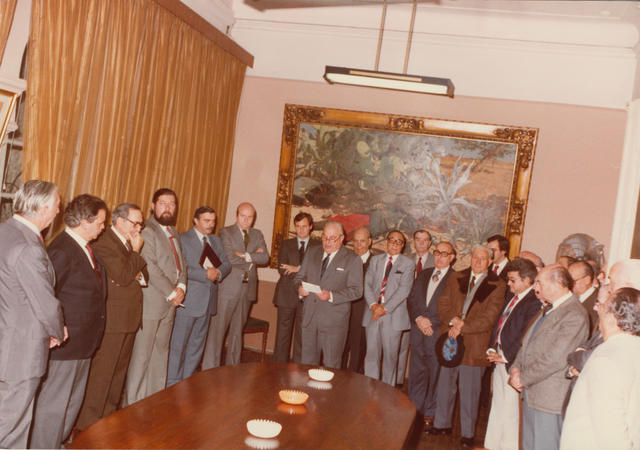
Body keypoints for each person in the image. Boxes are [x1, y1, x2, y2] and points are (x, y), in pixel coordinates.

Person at [30, 194, 108, 449]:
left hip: (82, 344)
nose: (103, 227)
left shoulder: (84, 247)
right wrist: (56, 330)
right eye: (100, 222)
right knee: (53, 407)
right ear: (85, 222)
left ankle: (57, 444)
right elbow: (46, 296)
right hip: (65, 346)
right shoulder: (62, 250)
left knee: (71, 405)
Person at [0, 180, 64, 448]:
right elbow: (45, 303)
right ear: (44, 207)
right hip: (19, 352)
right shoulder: (28, 246)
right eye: (57, 205)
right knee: (11, 427)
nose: (59, 211)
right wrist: (57, 330)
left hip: (7, 341)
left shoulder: (6, 232)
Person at [75, 203, 148, 430]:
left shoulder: (128, 242)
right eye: (135, 223)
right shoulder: (105, 241)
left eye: (141, 224)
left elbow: (143, 275)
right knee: (103, 375)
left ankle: (107, 422)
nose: (138, 228)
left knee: (118, 375)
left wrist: (134, 264)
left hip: (129, 317)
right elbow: (124, 275)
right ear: (119, 220)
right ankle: (88, 426)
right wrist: (135, 253)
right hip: (113, 319)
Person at [429, 245, 506, 448]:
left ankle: (467, 433)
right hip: (450, 339)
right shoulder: (457, 277)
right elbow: (443, 303)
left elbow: (489, 317)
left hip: (474, 344)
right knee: (445, 385)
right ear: (470, 258)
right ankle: (441, 424)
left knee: (470, 391)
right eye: (475, 257)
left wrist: (463, 327)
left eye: (483, 258)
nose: (478, 261)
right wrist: (453, 321)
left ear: (490, 261)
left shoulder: (498, 284)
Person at [509, 264, 589, 450]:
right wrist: (515, 368)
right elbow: (526, 343)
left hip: (549, 400)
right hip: (532, 394)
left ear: (558, 283)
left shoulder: (574, 314)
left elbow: (556, 359)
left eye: (540, 283)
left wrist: (523, 378)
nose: (535, 288)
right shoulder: (549, 308)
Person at [124, 188, 187, 405]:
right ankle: (132, 405)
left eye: (172, 203)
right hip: (151, 303)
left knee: (161, 354)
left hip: (170, 304)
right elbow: (149, 265)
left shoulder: (173, 231)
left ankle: (153, 403)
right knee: (142, 357)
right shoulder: (147, 230)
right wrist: (173, 292)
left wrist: (182, 286)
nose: (167, 207)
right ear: (152, 206)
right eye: (163, 203)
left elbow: (181, 264)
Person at [560, 287, 640, 450]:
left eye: (602, 307)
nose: (597, 310)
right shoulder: (633, 350)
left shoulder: (606, 359)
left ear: (612, 318)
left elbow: (611, 431)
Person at [167, 206, 230, 385]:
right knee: (178, 346)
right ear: (196, 220)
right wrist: (205, 275)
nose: (211, 224)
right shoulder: (182, 239)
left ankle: (186, 383)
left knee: (196, 347)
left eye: (213, 221)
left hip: (207, 303)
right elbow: (180, 267)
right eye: (206, 221)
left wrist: (218, 272)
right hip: (188, 302)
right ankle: (172, 384)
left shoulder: (216, 241)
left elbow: (227, 264)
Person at [202, 202, 269, 368]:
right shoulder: (226, 232)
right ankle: (209, 370)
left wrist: (245, 255)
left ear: (254, 218)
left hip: (247, 289)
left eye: (250, 217)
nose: (246, 220)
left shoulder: (257, 234)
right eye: (243, 216)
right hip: (228, 289)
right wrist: (253, 257)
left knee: (237, 333)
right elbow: (230, 259)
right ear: (236, 215)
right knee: (217, 332)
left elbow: (265, 258)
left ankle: (232, 370)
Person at [484, 258, 542, 450]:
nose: (508, 283)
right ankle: (492, 444)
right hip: (500, 356)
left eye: (513, 280)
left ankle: (507, 446)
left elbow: (526, 335)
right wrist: (493, 347)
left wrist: (507, 357)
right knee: (498, 404)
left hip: (513, 360)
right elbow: (500, 324)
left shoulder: (534, 302)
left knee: (511, 410)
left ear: (527, 280)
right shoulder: (513, 296)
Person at [296, 221, 363, 369]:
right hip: (309, 319)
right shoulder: (312, 252)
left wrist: (331, 296)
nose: (327, 242)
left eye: (332, 238)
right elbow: (299, 277)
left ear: (341, 238)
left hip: (333, 324)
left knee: (331, 368)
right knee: (306, 366)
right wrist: (300, 290)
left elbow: (357, 290)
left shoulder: (352, 259)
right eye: (324, 237)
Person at [407, 241, 456, 430]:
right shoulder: (424, 274)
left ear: (452, 257)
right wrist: (419, 319)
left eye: (444, 254)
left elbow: (453, 308)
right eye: (437, 252)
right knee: (416, 374)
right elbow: (412, 299)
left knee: (436, 376)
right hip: (418, 332)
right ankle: (414, 410)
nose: (440, 257)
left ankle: (430, 413)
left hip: (437, 334)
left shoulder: (456, 279)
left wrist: (431, 323)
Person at [362, 230, 414, 386]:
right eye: (392, 240)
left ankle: (387, 392)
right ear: (387, 241)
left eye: (399, 241)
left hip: (393, 316)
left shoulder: (408, 264)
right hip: (372, 314)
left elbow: (404, 290)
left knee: (390, 359)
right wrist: (373, 305)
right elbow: (367, 284)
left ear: (403, 245)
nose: (395, 244)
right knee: (371, 356)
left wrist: (383, 309)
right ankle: (369, 390)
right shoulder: (375, 260)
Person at [272, 212, 318, 363]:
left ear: (310, 227)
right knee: (282, 337)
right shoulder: (286, 244)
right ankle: (278, 369)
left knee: (302, 337)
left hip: (308, 297)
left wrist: (297, 268)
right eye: (298, 226)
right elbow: (282, 269)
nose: (301, 230)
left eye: (304, 226)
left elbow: (316, 271)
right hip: (286, 296)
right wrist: (303, 270)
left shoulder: (318, 246)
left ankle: (299, 370)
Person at [397, 229, 435, 385]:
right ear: (413, 241)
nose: (421, 242)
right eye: (418, 239)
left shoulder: (436, 261)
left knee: (420, 350)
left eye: (424, 240)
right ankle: (398, 380)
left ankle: (421, 383)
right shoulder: (404, 260)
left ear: (429, 243)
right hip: (403, 308)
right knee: (401, 345)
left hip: (424, 312)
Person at [341, 227, 373, 372]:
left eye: (362, 241)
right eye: (356, 241)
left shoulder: (376, 263)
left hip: (363, 314)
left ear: (369, 242)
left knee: (358, 352)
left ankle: (354, 381)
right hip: (342, 312)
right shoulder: (346, 259)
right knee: (340, 349)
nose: (358, 245)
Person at [568, 260, 599, 337]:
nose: (568, 285)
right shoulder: (569, 299)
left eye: (572, 281)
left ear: (587, 280)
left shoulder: (598, 304)